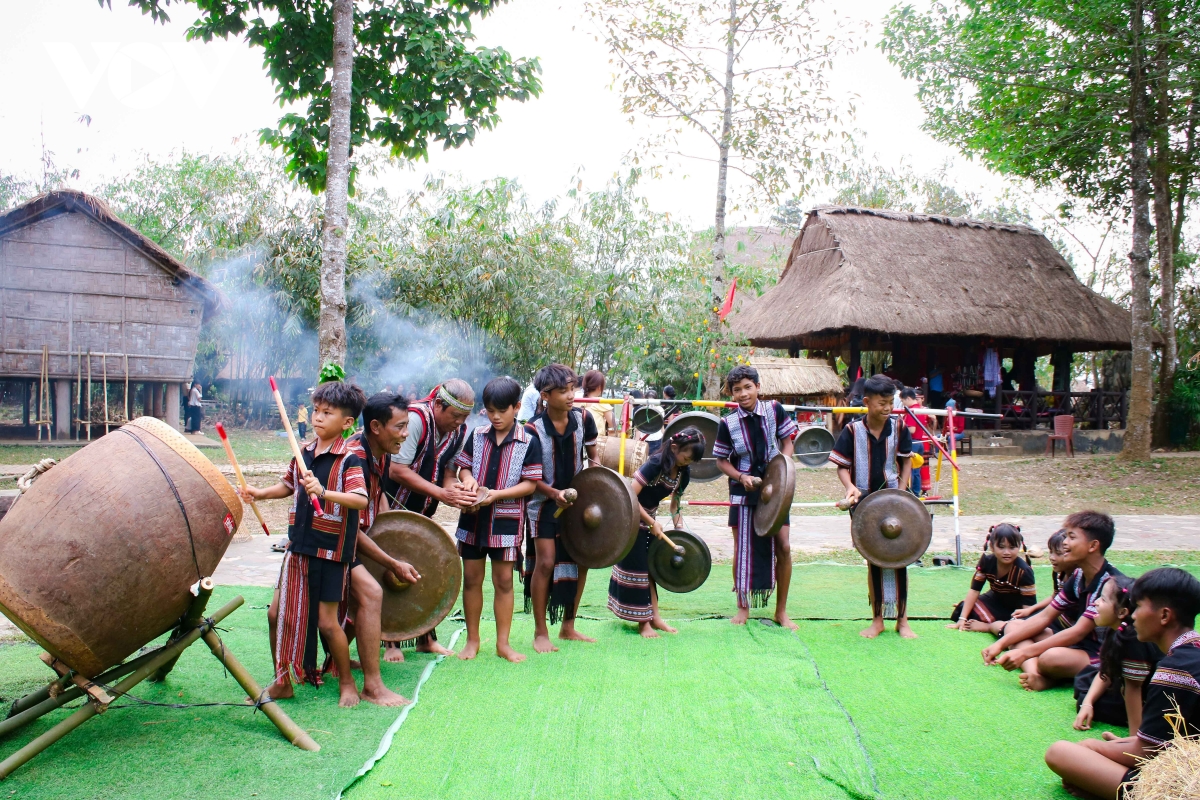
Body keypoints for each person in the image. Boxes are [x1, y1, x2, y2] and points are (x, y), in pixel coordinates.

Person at [238, 380, 369, 707]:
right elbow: (286, 486)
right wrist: (258, 493)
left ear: (347, 422)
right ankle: (283, 681)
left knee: (327, 623)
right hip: (298, 547)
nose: (318, 417)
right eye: (316, 410)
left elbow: (360, 499)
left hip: (331, 551)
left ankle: (347, 683)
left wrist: (322, 491)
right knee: (275, 614)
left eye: (328, 413)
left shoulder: (349, 459)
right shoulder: (305, 452)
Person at [1045, 568, 1200, 799]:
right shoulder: (1192, 653)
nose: (1134, 615)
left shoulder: (1173, 671)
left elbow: (1148, 752)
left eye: (1138, 606)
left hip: (1186, 784)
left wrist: (1094, 748)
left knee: (1060, 752)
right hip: (1187, 758)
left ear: (1164, 616)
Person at [384, 378, 480, 660]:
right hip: (389, 506)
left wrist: (459, 492)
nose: (460, 422)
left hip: (421, 510)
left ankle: (426, 638)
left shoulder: (457, 430)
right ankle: (390, 642)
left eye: (465, 417)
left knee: (425, 565)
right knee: (389, 569)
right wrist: (441, 492)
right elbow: (396, 470)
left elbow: (449, 474)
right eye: (456, 416)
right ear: (438, 404)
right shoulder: (415, 419)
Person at [341, 392, 423, 706]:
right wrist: (391, 561)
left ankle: (336, 662)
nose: (405, 434)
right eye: (400, 427)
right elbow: (350, 530)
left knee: (369, 590)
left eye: (408, 426)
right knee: (372, 593)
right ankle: (373, 687)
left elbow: (379, 499)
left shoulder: (381, 450)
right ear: (375, 426)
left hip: (352, 540)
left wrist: (393, 538)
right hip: (330, 545)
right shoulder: (355, 459)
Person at [452, 377, 543, 662]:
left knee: (504, 581)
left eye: (502, 410)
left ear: (517, 407)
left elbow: (531, 484)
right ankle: (472, 640)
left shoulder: (528, 440)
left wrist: (497, 494)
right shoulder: (477, 434)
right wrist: (468, 482)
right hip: (472, 519)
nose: (495, 416)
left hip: (506, 520)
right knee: (472, 580)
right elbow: (462, 468)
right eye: (490, 410)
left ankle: (503, 644)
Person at [982, 511, 1123, 691]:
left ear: (1093, 545)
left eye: (1071, 537)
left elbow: (1078, 632)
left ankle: (1049, 676)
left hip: (1099, 651)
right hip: (1076, 644)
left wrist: (1023, 653)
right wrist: (1000, 644)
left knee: (1050, 658)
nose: (1064, 542)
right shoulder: (1080, 574)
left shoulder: (1109, 583)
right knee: (1015, 627)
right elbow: (1045, 617)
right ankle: (1036, 676)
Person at [829, 374, 915, 639]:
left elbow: (906, 461)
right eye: (882, 403)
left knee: (900, 559)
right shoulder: (852, 430)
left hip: (894, 500)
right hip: (864, 504)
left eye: (891, 402)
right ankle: (877, 619)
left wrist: (902, 492)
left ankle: (903, 620)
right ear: (867, 402)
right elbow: (842, 466)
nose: (887, 408)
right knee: (874, 560)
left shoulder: (899, 427)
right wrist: (850, 487)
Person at [714, 365, 799, 629]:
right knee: (742, 549)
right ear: (731, 393)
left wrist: (783, 466)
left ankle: (781, 611)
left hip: (776, 489)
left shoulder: (774, 410)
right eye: (736, 390)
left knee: (783, 546)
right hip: (743, 489)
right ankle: (743, 606)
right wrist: (742, 477)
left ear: (758, 387)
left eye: (747, 387)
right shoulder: (727, 423)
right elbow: (721, 460)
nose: (742, 394)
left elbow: (788, 440)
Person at [525, 363, 599, 653]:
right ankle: (540, 631)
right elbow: (528, 477)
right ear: (545, 395)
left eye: (573, 388)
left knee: (581, 560)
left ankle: (568, 626)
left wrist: (600, 482)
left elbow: (593, 458)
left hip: (577, 502)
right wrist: (554, 493)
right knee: (545, 563)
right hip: (542, 506)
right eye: (563, 391)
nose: (571, 396)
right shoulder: (532, 429)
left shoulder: (583, 418)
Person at [608, 427, 705, 637]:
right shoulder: (655, 463)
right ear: (674, 447)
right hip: (631, 517)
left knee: (651, 569)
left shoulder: (682, 472)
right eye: (685, 457)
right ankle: (643, 623)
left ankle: (655, 618)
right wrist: (651, 522)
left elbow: (675, 507)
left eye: (690, 461)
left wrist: (680, 532)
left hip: (649, 521)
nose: (686, 463)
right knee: (639, 571)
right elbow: (630, 496)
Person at [1074, 576, 1162, 732]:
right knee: (1085, 680)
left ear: (1122, 612)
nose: (1095, 603)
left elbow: (1134, 688)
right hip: (1127, 683)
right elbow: (1106, 670)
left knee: (1088, 697)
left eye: (1103, 599)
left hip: (1151, 697)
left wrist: (1135, 739)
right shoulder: (1116, 630)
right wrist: (1088, 703)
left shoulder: (1133, 639)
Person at [948, 523, 1037, 636]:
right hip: (994, 599)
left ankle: (988, 626)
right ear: (992, 547)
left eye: (1012, 547)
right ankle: (988, 619)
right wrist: (962, 618)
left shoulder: (1024, 571)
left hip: (1015, 609)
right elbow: (975, 590)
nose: (1007, 552)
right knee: (961, 610)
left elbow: (1029, 609)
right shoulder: (986, 561)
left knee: (1016, 626)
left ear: (1019, 547)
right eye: (1001, 547)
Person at [1010, 529, 1070, 623]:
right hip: (1057, 614)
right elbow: (1055, 596)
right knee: (1016, 621)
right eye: (1051, 552)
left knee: (1019, 625)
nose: (1052, 557)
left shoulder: (1077, 578)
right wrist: (1030, 610)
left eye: (1058, 553)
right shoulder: (1058, 573)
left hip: (1066, 621)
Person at [900, 387, 932, 496]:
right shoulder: (921, 409)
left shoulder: (911, 411)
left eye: (903, 401)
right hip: (920, 442)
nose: (903, 404)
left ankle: (912, 493)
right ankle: (916, 492)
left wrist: (900, 428)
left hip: (913, 442)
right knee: (916, 470)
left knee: (910, 470)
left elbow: (912, 429)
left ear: (908, 398)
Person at [581, 369, 616, 435]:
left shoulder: (579, 401)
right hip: (597, 439)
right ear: (599, 387)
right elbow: (613, 423)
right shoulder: (600, 402)